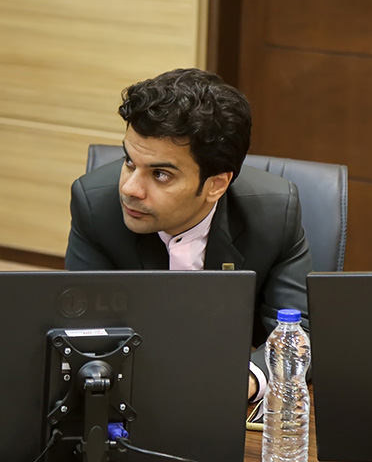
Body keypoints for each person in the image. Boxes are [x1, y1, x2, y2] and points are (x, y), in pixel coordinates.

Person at [65, 68, 311, 400]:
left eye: (160, 174)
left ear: (216, 185)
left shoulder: (274, 215)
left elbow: (299, 333)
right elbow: (84, 332)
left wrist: (247, 380)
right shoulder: (95, 206)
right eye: (129, 161)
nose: (130, 188)